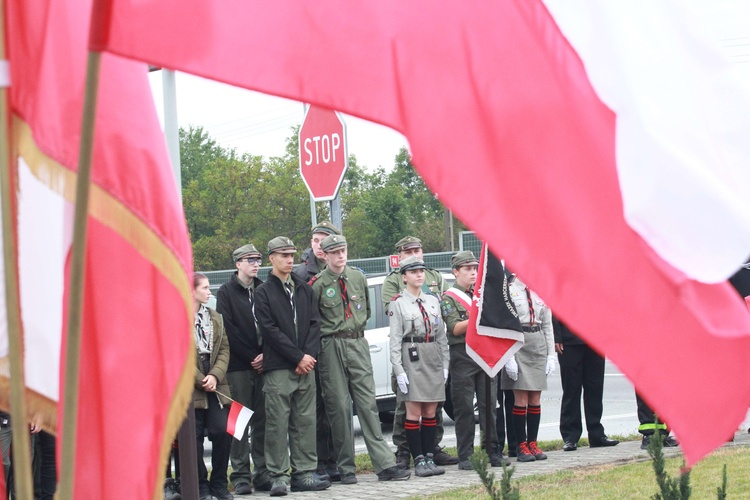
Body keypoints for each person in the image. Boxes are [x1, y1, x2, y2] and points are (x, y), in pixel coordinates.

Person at [311, 234, 410, 484]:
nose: (340, 256)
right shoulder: (318, 284)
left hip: (357, 341)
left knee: (367, 404)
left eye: (343, 250)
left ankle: (384, 464)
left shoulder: (357, 277)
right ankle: (346, 468)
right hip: (331, 344)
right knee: (339, 408)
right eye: (334, 252)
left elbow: (365, 311)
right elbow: (314, 321)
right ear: (325, 255)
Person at [254, 237, 330, 496]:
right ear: (271, 258)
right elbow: (270, 330)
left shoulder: (303, 288)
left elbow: (314, 324)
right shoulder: (263, 291)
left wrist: (307, 356)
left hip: (305, 368)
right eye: (283, 255)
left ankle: (304, 473)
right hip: (279, 368)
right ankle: (278, 476)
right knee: (277, 423)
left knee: (305, 421)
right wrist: (297, 357)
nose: (289, 260)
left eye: (292, 255)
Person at [381, 236, 456, 469]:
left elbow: (441, 335)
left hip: (432, 356)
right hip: (411, 357)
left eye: (421, 271)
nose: (419, 275)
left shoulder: (433, 299)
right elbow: (394, 340)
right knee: (412, 409)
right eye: (413, 272)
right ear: (404, 276)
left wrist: (445, 365)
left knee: (432, 409)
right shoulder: (397, 300)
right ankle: (416, 457)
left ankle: (430, 454)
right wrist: (399, 370)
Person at [440, 250, 508, 469]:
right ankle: (466, 455)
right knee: (465, 408)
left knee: (489, 405)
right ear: (456, 272)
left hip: (485, 353)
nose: (472, 272)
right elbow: (455, 327)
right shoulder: (449, 297)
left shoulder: (481, 293)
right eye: (467, 269)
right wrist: (478, 315)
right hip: (463, 355)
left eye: (474, 268)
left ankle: (492, 451)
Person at [216, 243, 270, 494]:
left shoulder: (263, 289)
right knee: (239, 422)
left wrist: (265, 356)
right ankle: (239, 475)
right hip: (238, 367)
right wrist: (251, 356)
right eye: (250, 260)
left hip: (265, 365)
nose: (255, 264)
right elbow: (228, 330)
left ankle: (262, 472)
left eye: (257, 260)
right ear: (238, 264)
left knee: (263, 420)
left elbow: (272, 324)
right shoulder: (226, 292)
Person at [293, 220, 341, 481]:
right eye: (314, 240)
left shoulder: (339, 269)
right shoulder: (301, 274)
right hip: (311, 350)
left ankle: (335, 460)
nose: (318, 245)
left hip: (333, 347)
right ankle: (319, 463)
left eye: (324, 239)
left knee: (335, 404)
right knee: (316, 409)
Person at [500, 274, 555, 462]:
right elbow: (505, 323)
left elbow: (547, 325)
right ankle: (520, 444)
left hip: (537, 342)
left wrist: (550, 355)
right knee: (521, 397)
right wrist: (509, 357)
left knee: (535, 397)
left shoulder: (540, 289)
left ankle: (533, 442)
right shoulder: (509, 290)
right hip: (519, 343)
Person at [192, 272, 234, 500]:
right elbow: (179, 356)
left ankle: (219, 482)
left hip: (215, 381)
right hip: (193, 385)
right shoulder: (177, 318)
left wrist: (215, 375)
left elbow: (225, 348)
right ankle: (200, 485)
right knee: (194, 436)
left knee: (222, 430)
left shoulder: (215, 317)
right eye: (205, 288)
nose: (209, 292)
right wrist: (200, 379)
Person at [553, 317, 619, 451]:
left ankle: (596, 435)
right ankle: (570, 437)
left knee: (595, 389)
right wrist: (557, 337)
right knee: (571, 390)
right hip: (569, 340)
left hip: (596, 339)